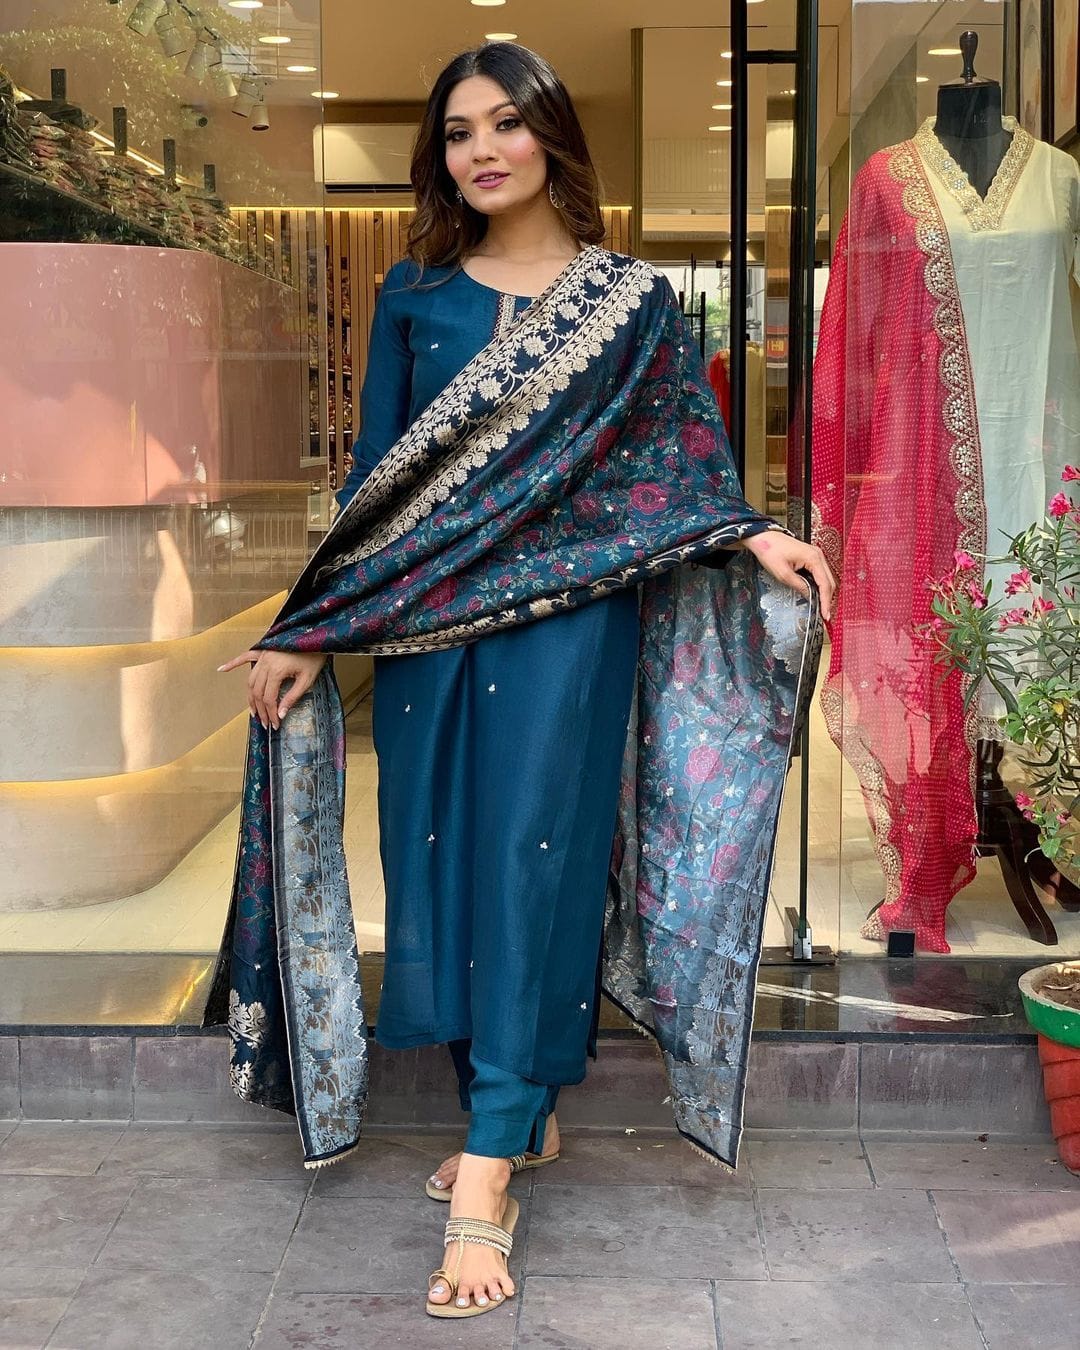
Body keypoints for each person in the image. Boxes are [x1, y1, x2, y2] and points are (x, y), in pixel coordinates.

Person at [212, 42, 834, 1321]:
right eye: (458, 133)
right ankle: (519, 1107)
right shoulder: (415, 295)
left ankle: (489, 1163)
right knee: (436, 854)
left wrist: (750, 534)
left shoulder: (633, 304)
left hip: (569, 632)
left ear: (551, 134)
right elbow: (377, 483)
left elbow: (681, 463)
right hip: (429, 629)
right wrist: (312, 623)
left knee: (534, 862)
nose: (481, 150)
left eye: (505, 123)